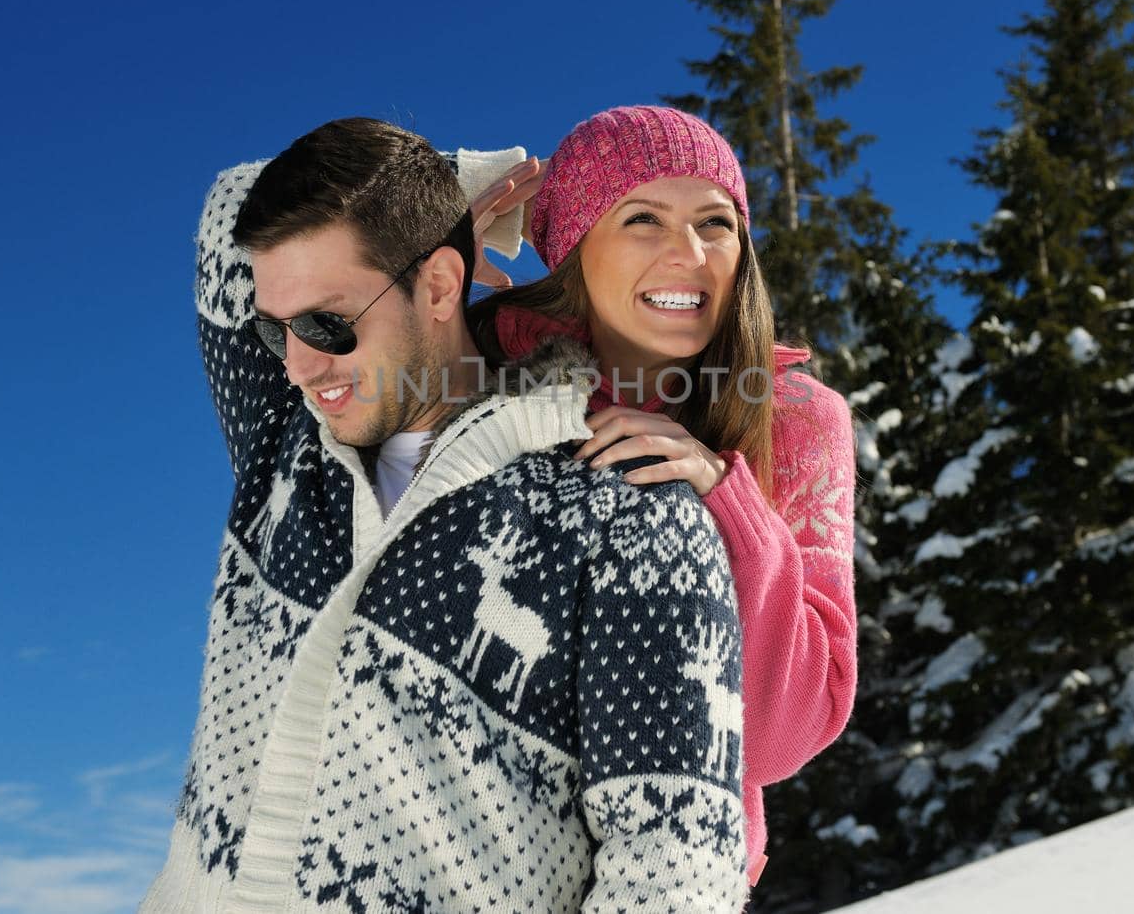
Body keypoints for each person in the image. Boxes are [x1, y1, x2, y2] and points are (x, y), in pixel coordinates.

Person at [142, 117, 750, 912]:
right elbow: (231, 206)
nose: (294, 364)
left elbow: (677, 873)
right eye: (273, 327)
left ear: (437, 286)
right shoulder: (283, 444)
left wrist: (431, 226)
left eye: (328, 323)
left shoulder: (627, 515)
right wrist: (448, 191)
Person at [466, 105, 859, 886]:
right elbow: (299, 407)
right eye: (643, 217)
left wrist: (729, 505)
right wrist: (419, 268)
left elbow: (788, 730)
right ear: (575, 248)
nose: (689, 254)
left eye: (716, 224)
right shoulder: (477, 372)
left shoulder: (797, 421)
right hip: (474, 858)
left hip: (672, 876)